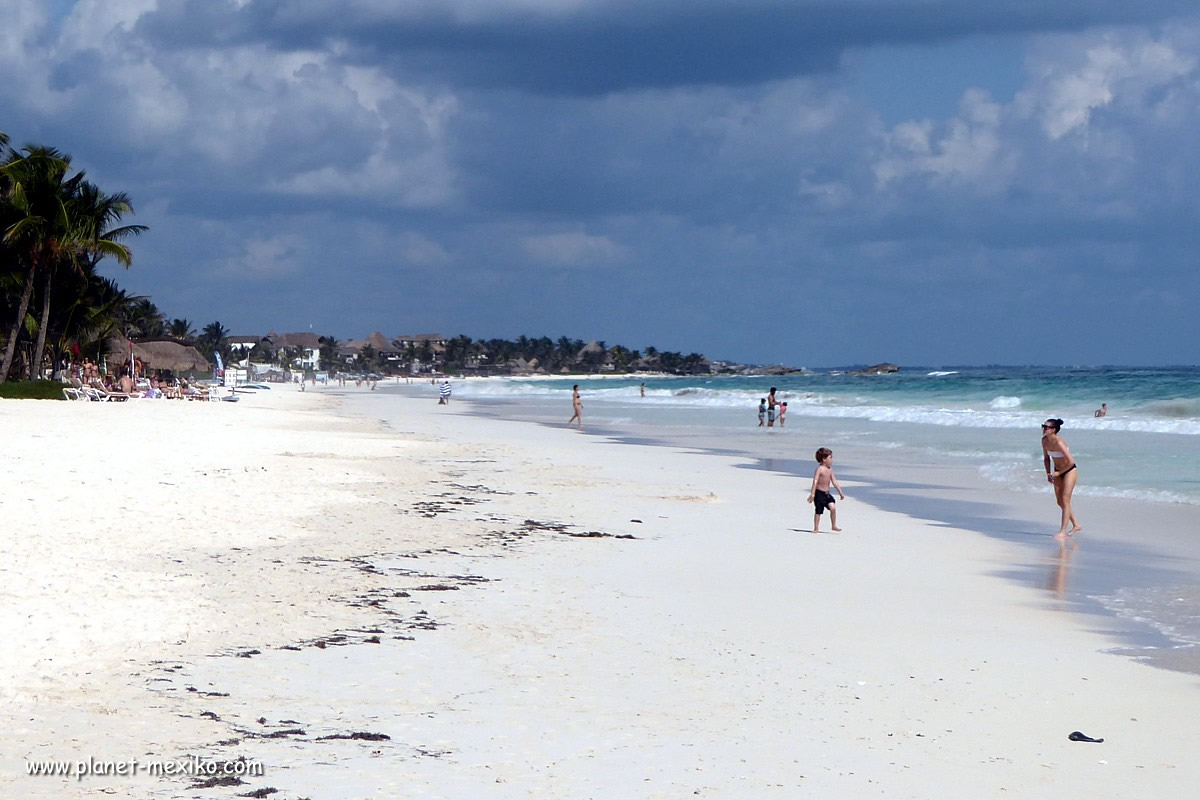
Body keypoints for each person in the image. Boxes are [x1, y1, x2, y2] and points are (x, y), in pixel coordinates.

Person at [1041, 418, 1082, 539]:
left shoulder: (1059, 442)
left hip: (1069, 470)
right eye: (1043, 426)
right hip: (1057, 471)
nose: (1044, 429)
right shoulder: (1044, 441)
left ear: (1053, 430)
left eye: (1046, 427)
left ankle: (1063, 531)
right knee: (1060, 502)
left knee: (1065, 500)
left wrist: (1058, 474)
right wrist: (1048, 473)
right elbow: (1046, 458)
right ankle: (1076, 525)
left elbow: (1071, 462)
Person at [807, 447, 845, 533]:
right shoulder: (820, 469)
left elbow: (834, 481)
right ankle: (816, 528)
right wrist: (812, 494)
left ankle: (833, 525)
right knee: (818, 511)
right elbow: (815, 481)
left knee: (833, 507)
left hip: (827, 494)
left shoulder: (830, 469)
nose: (832, 460)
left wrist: (840, 492)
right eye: (830, 458)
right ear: (824, 459)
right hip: (819, 493)